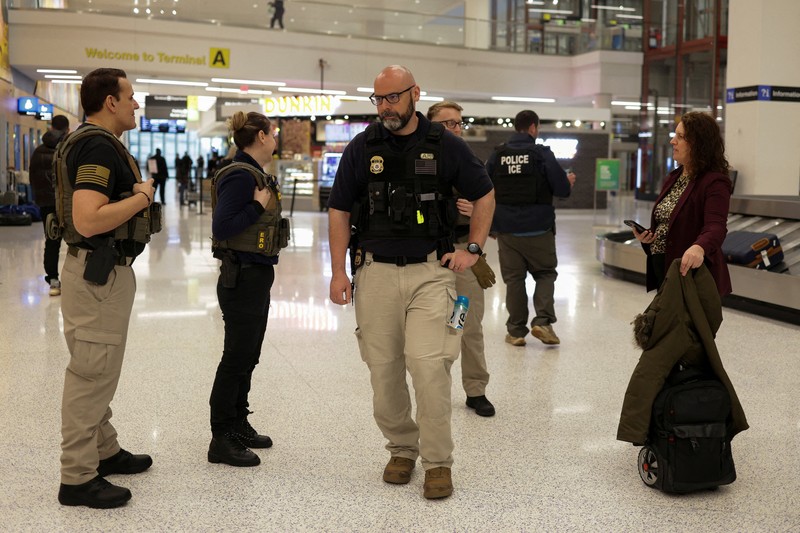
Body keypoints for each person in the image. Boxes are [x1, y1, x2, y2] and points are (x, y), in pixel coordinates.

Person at [328, 65, 495, 499]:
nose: (385, 107)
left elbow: (484, 194)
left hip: (430, 273)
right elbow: (339, 210)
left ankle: (438, 461)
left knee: (428, 368)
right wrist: (337, 271)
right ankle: (402, 448)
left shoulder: (446, 145)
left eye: (393, 98)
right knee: (383, 373)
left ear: (414, 94)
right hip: (374, 272)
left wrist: (472, 249)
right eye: (378, 100)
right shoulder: (363, 147)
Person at [57, 68, 158, 509]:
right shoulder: (98, 146)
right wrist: (142, 196)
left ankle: (104, 449)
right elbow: (88, 218)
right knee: (91, 374)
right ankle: (77, 477)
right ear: (110, 102)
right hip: (97, 276)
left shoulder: (90, 141)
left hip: (96, 274)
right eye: (131, 97)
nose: (136, 104)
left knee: (98, 369)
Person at [208, 111, 286, 467]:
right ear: (260, 136)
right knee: (236, 358)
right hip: (241, 278)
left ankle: (238, 421)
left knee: (249, 354)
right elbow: (224, 226)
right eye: (273, 133)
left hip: (255, 275)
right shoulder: (240, 176)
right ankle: (221, 436)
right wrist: (257, 204)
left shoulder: (251, 172)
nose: (276, 139)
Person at [426, 101, 496, 417]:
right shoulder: (420, 160)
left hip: (463, 259)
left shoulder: (469, 162)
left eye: (458, 123)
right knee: (427, 329)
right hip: (425, 259)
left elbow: (492, 205)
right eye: (447, 124)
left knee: (465, 324)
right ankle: (433, 390)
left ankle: (475, 389)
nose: (455, 129)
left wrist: (476, 214)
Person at [485, 110, 576, 347]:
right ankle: (543, 321)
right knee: (545, 273)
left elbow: (484, 189)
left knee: (514, 279)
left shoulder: (497, 154)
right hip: (538, 227)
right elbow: (562, 190)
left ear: (516, 127)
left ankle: (515, 331)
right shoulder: (542, 154)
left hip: (507, 230)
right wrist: (568, 182)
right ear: (533, 128)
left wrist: (489, 225)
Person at [632, 111, 733, 296]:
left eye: (680, 136)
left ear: (698, 144)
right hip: (664, 269)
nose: (672, 141)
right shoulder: (674, 177)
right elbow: (669, 222)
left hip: (690, 275)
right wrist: (649, 238)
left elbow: (716, 227)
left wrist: (699, 247)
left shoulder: (714, 182)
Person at [29, 114, 70, 296]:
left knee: (52, 241)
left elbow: (33, 179)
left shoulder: (37, 151)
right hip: (67, 204)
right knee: (79, 240)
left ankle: (53, 280)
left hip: (46, 204)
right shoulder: (67, 149)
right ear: (67, 130)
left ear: (51, 127)